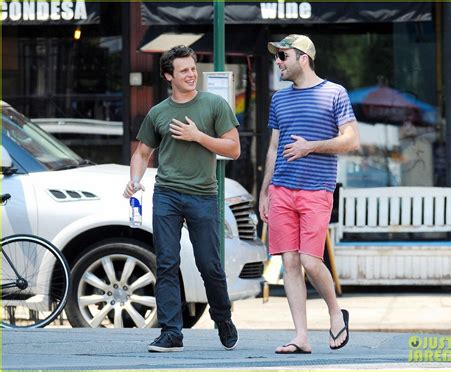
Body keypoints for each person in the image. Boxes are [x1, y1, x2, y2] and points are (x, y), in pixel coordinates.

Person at [123, 45, 240, 353]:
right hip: (167, 195)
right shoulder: (158, 113)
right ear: (168, 76)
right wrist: (135, 180)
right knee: (166, 263)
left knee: (209, 264)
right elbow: (142, 153)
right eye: (184, 70)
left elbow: (233, 148)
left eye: (193, 68)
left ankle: (222, 317)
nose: (191, 74)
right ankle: (172, 331)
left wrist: (198, 136)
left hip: (203, 195)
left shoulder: (215, 105)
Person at [259, 35, 360, 354]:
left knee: (310, 261)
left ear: (303, 58)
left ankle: (335, 314)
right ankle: (300, 336)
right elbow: (274, 147)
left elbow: (351, 141)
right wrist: (264, 190)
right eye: (276, 56)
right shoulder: (279, 99)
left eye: (283, 56)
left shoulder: (335, 94)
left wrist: (311, 147)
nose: (278, 62)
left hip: (317, 190)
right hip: (281, 190)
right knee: (289, 262)